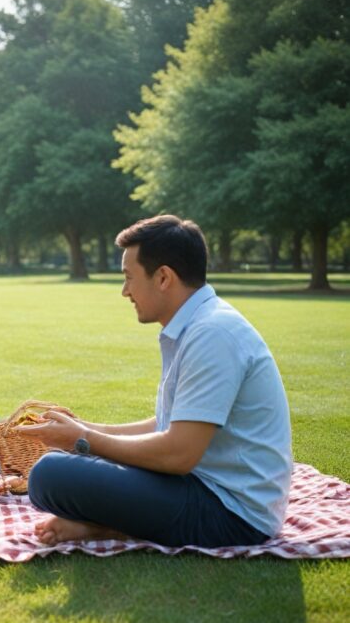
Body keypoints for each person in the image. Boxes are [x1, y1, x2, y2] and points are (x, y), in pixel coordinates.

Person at [22, 215, 292, 548]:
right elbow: (170, 423)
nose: (125, 291)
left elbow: (179, 454)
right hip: (199, 486)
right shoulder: (198, 325)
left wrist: (84, 440)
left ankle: (111, 526)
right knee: (62, 468)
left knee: (50, 475)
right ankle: (108, 525)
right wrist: (88, 429)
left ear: (163, 277)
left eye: (128, 277)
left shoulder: (213, 334)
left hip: (232, 513)